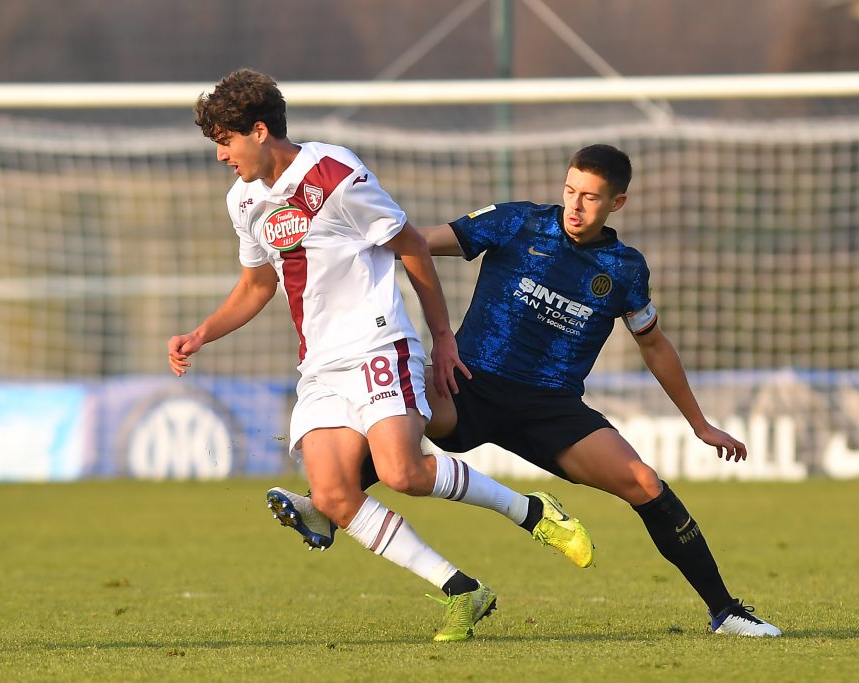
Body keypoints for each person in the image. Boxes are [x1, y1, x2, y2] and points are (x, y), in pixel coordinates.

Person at [267, 144, 782, 638]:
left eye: (590, 197)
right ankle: (324, 501)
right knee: (395, 409)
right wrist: (337, 239)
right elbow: (413, 244)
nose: (575, 205)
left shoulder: (625, 269)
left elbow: (654, 346)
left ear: (617, 202)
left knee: (645, 483)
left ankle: (725, 612)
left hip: (550, 408)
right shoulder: (517, 222)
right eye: (570, 190)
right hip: (467, 383)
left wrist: (700, 424)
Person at [167, 69, 593, 642]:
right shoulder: (243, 200)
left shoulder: (334, 174)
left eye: (226, 141)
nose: (221, 155)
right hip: (320, 366)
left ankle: (532, 512)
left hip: (377, 341)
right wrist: (201, 333)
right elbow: (256, 285)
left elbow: (412, 245)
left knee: (402, 472)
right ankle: (463, 591)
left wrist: (442, 336)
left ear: (260, 131)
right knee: (332, 497)